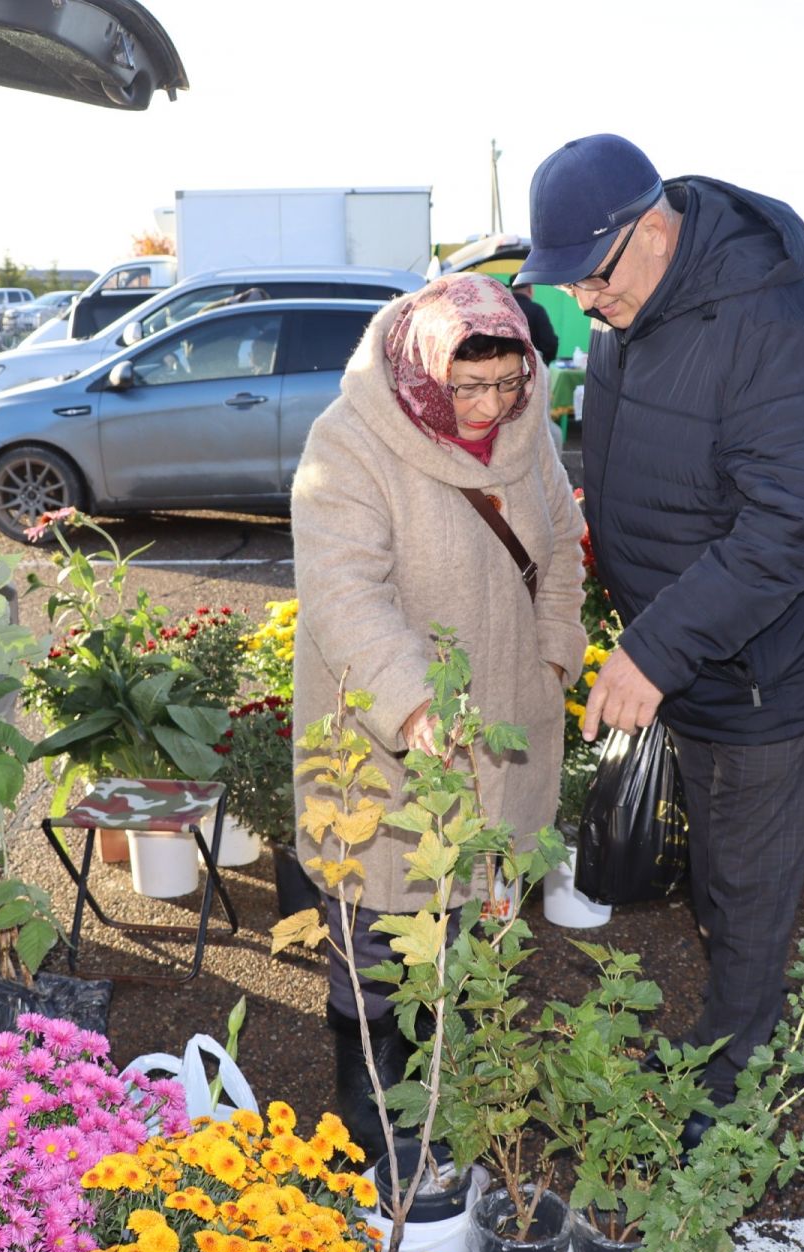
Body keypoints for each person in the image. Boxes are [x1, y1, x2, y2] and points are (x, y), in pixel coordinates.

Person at [515, 134, 804, 1131]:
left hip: (778, 669)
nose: (584, 303)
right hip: (702, 655)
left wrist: (654, 646)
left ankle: (731, 1097)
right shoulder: (631, 303)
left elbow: (796, 520)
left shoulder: (767, 321)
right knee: (714, 864)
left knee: (747, 887)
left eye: (593, 277)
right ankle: (725, 1034)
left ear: (654, 228)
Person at [289, 274, 586, 1156]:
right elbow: (345, 594)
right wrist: (416, 704)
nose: (489, 407)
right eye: (468, 388)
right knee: (382, 933)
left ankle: (446, 1106)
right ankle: (372, 1124)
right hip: (389, 738)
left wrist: (555, 655)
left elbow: (564, 545)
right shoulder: (348, 442)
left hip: (508, 726)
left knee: (475, 928)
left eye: (507, 384)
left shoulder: (526, 436)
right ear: (423, 370)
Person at [512, 280, 561, 366]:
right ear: (530, 289)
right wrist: (544, 361)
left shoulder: (503, 309)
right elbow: (549, 343)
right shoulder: (537, 310)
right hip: (533, 368)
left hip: (505, 371)